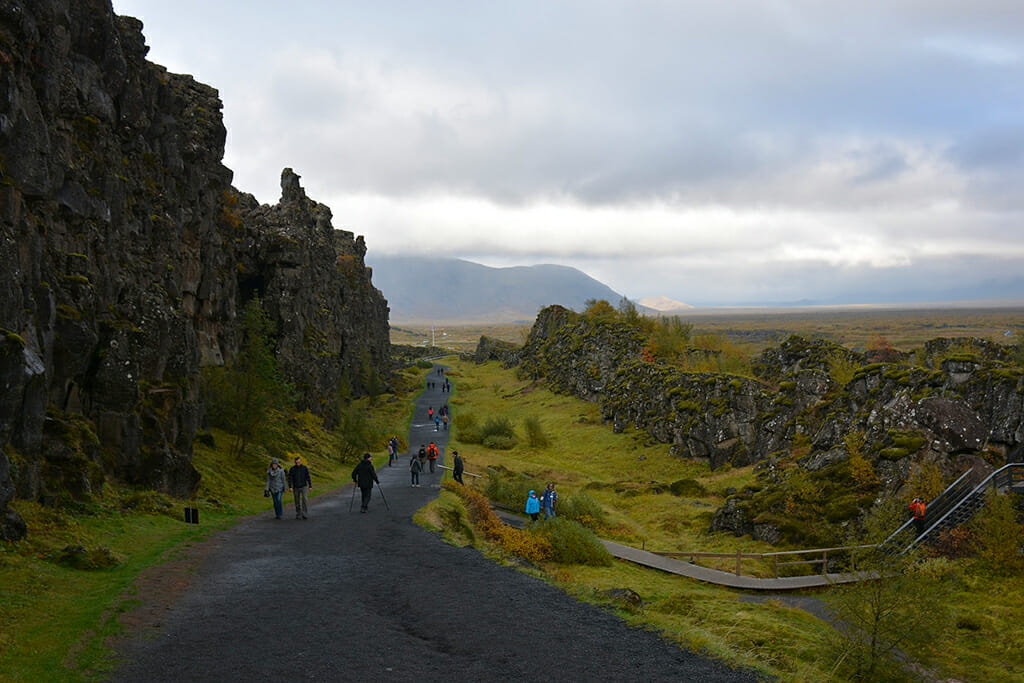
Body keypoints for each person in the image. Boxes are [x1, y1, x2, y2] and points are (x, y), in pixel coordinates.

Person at [287, 455, 312, 519]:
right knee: (297, 500)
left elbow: (308, 477)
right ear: (295, 462)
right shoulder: (292, 469)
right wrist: (290, 486)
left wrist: (310, 486)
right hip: (296, 487)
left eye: (299, 462)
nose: (297, 463)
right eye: (296, 462)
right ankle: (298, 513)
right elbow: (290, 478)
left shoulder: (304, 468)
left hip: (303, 486)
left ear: (301, 461)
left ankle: (305, 513)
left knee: (305, 499)